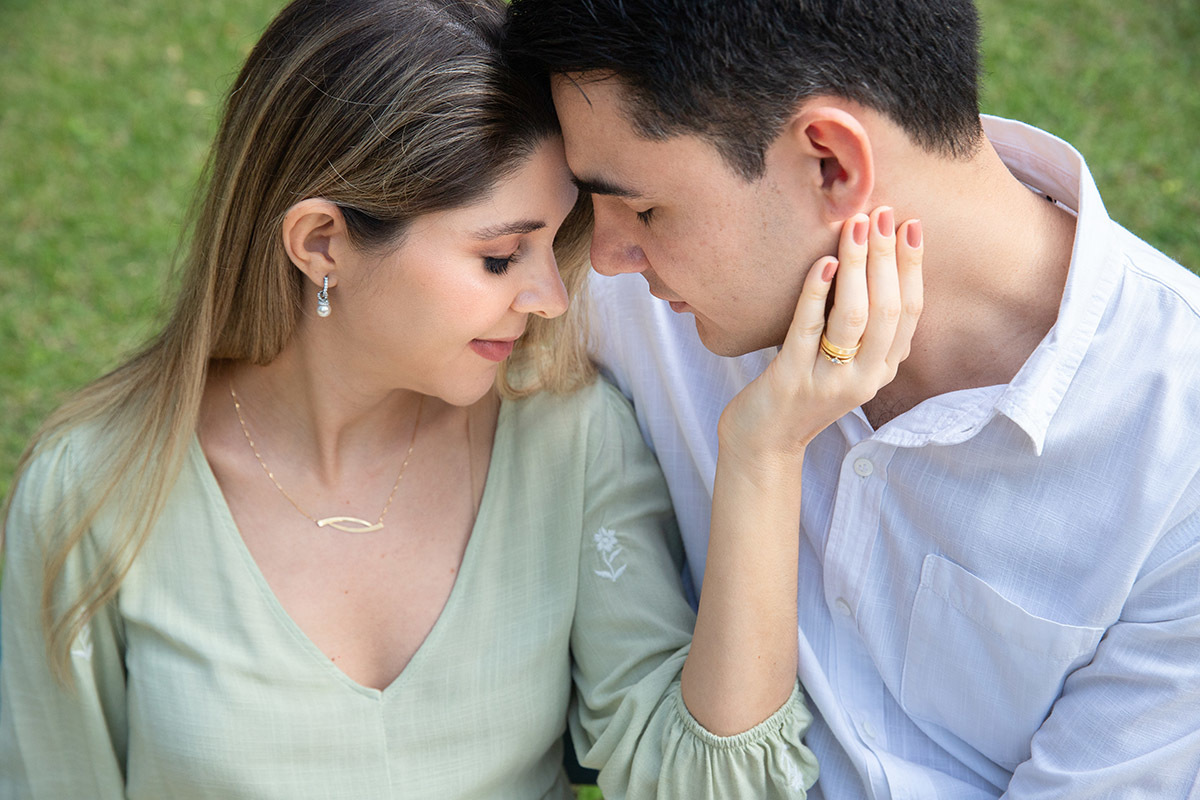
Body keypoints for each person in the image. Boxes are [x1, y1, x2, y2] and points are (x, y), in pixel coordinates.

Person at [0, 0, 924, 797]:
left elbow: (704, 785)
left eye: (550, 244)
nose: (551, 298)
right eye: (499, 257)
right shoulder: (93, 493)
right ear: (322, 243)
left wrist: (765, 455)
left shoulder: (566, 440)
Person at [503, 0, 1200, 797]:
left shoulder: (1178, 457)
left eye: (645, 210)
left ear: (831, 163)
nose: (606, 256)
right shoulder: (638, 298)